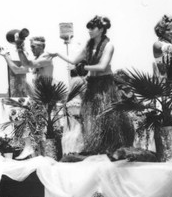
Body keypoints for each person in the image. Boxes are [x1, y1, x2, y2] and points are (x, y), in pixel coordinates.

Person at [50, 15, 134, 155]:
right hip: (92, 85)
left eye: (92, 28)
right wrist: (57, 53)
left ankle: (111, 147)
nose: (89, 31)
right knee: (91, 118)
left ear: (101, 29)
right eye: (88, 28)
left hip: (105, 86)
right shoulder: (89, 46)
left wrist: (84, 68)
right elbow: (73, 60)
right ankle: (97, 147)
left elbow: (102, 66)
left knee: (107, 118)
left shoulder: (108, 46)